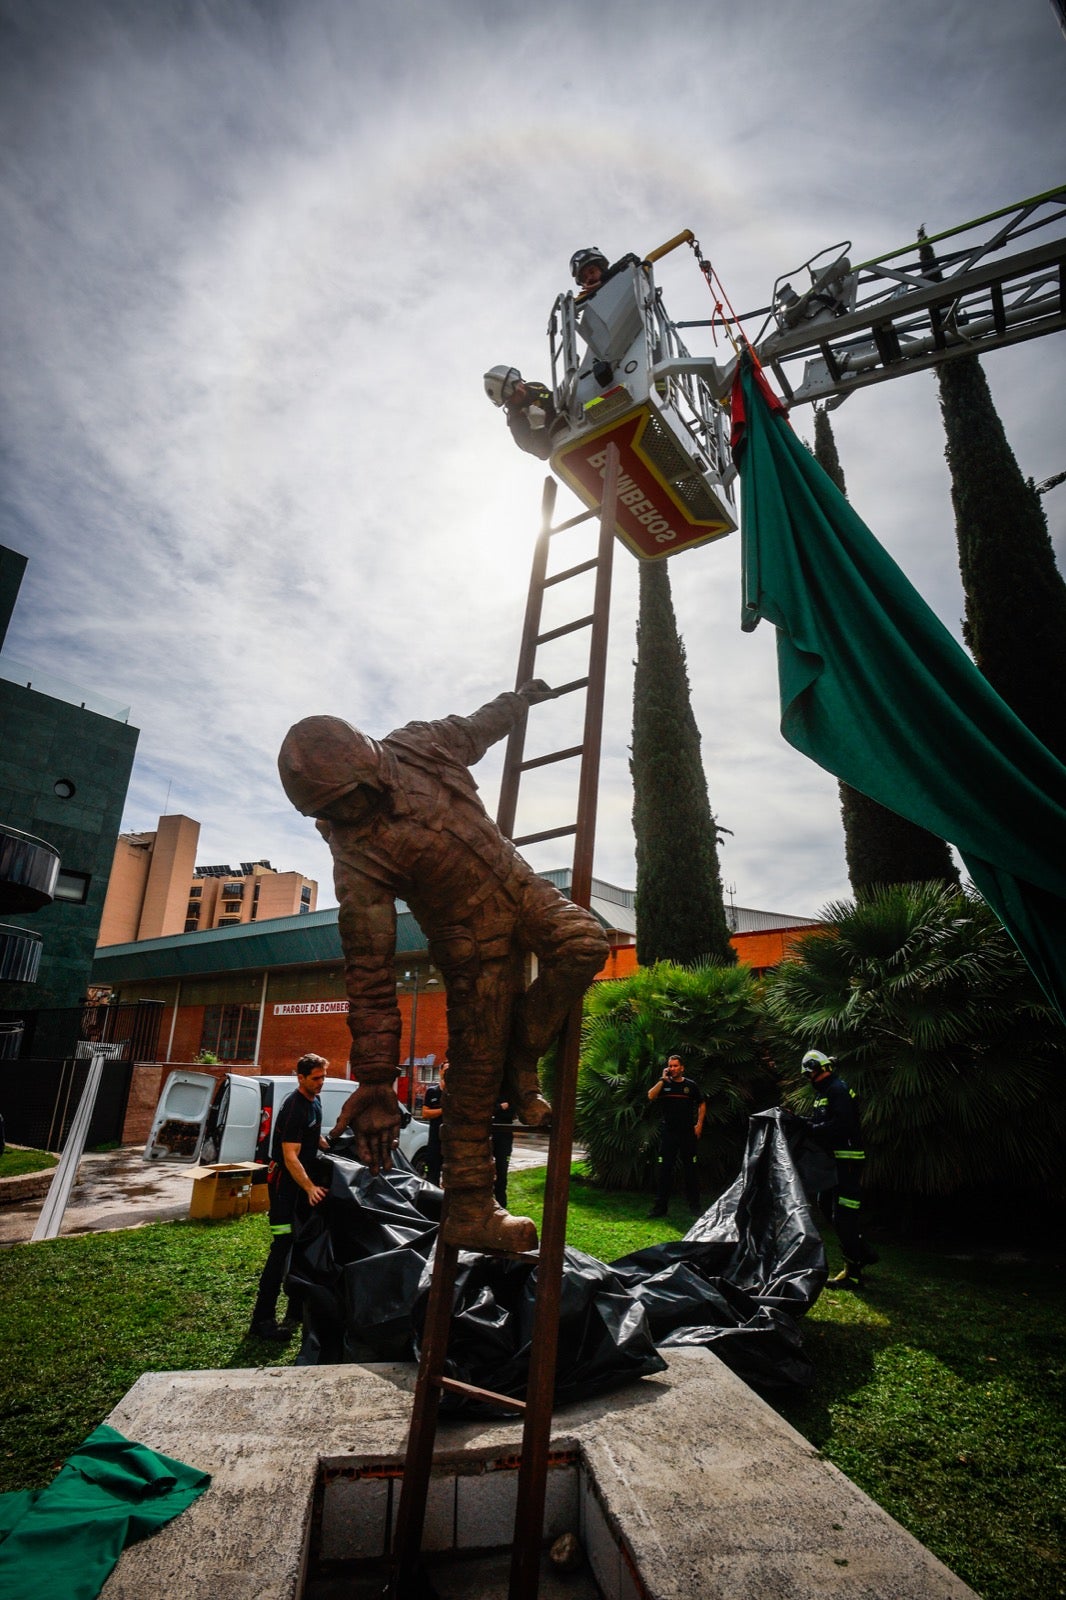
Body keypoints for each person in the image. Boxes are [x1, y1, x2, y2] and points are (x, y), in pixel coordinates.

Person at [278, 683, 609, 1255]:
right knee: (474, 1083)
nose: (341, 816)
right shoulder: (356, 857)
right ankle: (471, 1208)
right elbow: (370, 970)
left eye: (346, 801)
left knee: (583, 945)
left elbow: (475, 727)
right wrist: (377, 1078)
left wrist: (520, 701)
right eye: (327, 811)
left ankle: (522, 1057)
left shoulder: (418, 747)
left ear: (370, 769)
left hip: (520, 885)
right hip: (471, 945)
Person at [249, 1053, 330, 1342]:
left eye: (323, 1077)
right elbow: (290, 1156)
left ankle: (295, 1308)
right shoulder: (295, 1106)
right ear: (301, 1078)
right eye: (315, 1078)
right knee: (282, 1245)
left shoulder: (314, 1101)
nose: (321, 1083)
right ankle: (262, 1320)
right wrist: (309, 1187)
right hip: (285, 1190)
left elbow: (312, 1135)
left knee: (300, 1244)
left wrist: (324, 1142)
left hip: (298, 1190)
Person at [796, 1049, 874, 1289]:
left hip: (847, 1161)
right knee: (825, 1206)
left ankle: (853, 1272)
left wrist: (809, 1128)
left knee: (844, 1216)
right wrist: (802, 1122)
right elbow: (821, 1122)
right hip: (834, 1163)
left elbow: (841, 1125)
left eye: (810, 1074)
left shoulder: (837, 1090)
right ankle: (863, 1253)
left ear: (818, 1070)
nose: (809, 1080)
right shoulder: (825, 1093)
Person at [646, 1053, 705, 1217]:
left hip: (687, 1134)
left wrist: (699, 1124)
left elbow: (701, 1103)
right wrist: (662, 1080)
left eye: (675, 1066)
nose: (672, 1068)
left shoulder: (690, 1086)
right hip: (669, 1133)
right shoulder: (664, 1085)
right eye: (670, 1066)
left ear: (682, 1067)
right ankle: (660, 1208)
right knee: (665, 1169)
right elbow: (650, 1096)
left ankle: (695, 1207)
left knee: (691, 1170)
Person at [483, 366, 559, 460]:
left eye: (515, 381)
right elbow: (544, 453)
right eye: (509, 391)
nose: (519, 389)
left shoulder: (535, 386)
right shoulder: (517, 425)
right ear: (507, 401)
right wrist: (538, 427)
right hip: (564, 444)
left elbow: (556, 398)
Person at [569, 245, 644, 302]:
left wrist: (604, 280)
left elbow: (631, 258)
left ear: (602, 268)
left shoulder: (621, 278)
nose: (589, 278)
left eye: (592, 272)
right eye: (584, 278)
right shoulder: (585, 300)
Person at [421, 1062, 446, 1186]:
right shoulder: (432, 1091)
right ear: (440, 1071)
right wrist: (443, 1110)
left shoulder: (457, 1093)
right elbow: (425, 1113)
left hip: (451, 1140)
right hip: (435, 1139)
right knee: (432, 1173)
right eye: (446, 1070)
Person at [491, 1094, 515, 1209]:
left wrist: (496, 1109)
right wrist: (500, 1108)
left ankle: (502, 1206)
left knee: (502, 1172)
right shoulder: (489, 1093)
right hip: (488, 1136)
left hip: (505, 1138)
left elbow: (512, 1112)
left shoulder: (511, 1095)